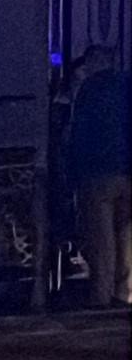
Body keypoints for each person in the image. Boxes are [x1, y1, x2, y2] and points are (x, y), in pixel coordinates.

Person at [65, 46, 131, 308]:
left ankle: (101, 299)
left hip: (97, 173)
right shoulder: (127, 84)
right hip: (127, 171)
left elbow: (77, 134)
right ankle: (124, 294)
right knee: (126, 236)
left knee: (102, 241)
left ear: (93, 62)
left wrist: (71, 174)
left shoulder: (89, 89)